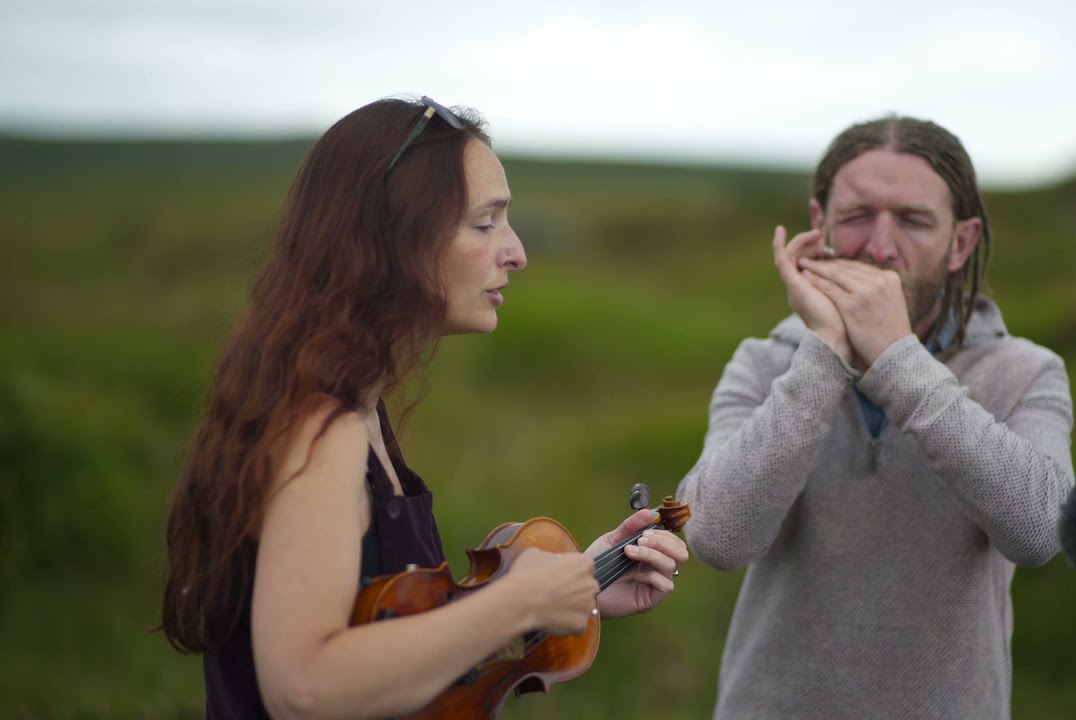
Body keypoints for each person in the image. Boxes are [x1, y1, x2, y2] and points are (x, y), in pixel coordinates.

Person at [159, 95, 688, 719]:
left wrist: (579, 585)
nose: (517, 252)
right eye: (485, 223)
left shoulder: (356, 407)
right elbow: (302, 686)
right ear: (395, 239)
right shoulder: (320, 427)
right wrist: (516, 603)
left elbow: (381, 627)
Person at [675, 115, 1074, 719]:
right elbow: (719, 538)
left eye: (913, 220)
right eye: (858, 215)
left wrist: (896, 360)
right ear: (820, 225)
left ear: (960, 243)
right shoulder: (763, 364)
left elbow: (1041, 530)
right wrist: (824, 353)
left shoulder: (1027, 372)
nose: (880, 246)